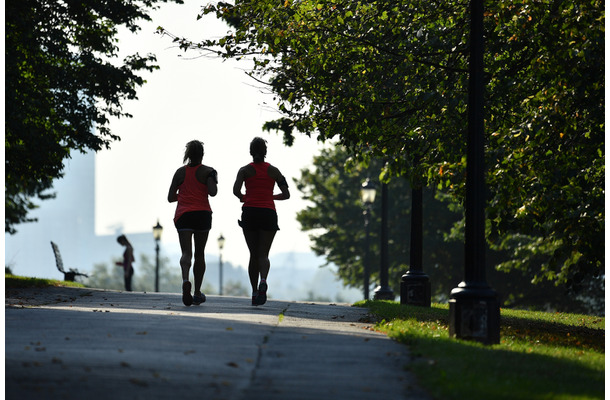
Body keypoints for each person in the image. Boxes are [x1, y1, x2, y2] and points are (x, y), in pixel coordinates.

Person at [233, 137, 290, 306]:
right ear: (265, 152)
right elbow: (287, 194)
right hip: (268, 213)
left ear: (251, 152)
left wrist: (245, 197)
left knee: (253, 255)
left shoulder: (244, 171)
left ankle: (254, 292)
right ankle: (263, 280)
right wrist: (270, 197)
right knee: (263, 254)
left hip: (250, 212)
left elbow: (235, 190)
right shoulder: (274, 171)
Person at [168, 140, 218, 306]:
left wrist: (183, 195)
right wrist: (210, 179)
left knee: (186, 253)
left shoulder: (179, 173)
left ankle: (184, 280)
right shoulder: (209, 171)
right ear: (202, 154)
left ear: (187, 154)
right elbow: (213, 192)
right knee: (200, 254)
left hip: (184, 215)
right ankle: (197, 292)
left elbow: (170, 197)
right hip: (202, 214)